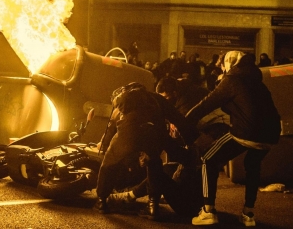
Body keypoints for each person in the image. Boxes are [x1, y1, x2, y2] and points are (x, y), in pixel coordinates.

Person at [185, 50, 281, 227]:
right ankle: (248, 214)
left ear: (229, 63)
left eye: (223, 65)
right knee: (253, 167)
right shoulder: (256, 80)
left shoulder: (232, 80)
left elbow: (205, 105)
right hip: (270, 134)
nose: (223, 69)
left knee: (207, 159)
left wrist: (183, 123)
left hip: (246, 133)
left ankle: (208, 211)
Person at [94, 82, 194, 220]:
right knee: (154, 164)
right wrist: (192, 139)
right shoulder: (155, 99)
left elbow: (111, 126)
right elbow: (177, 118)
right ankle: (153, 207)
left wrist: (104, 146)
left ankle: (102, 202)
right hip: (152, 131)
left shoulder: (123, 103)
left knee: (109, 162)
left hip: (128, 132)